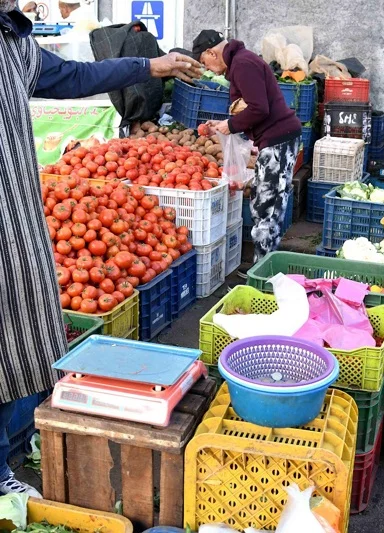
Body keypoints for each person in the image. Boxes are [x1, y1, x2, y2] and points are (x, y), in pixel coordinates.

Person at [0, 1, 202, 497]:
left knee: (27, 334)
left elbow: (70, 76)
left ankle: (16, 443)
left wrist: (147, 65)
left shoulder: (11, 43)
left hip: (18, 217)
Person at [192, 29, 302, 266]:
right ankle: (264, 268)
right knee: (264, 206)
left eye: (204, 62)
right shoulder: (241, 62)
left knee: (267, 210)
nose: (207, 68)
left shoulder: (242, 64)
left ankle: (264, 275)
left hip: (278, 141)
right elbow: (250, 108)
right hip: (274, 139)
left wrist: (230, 125)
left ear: (212, 52)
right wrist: (224, 124)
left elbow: (258, 108)